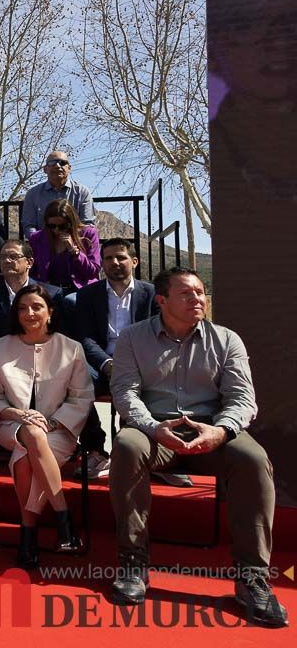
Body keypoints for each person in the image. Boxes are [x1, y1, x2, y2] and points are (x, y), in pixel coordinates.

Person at [108, 268, 287, 627]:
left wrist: (221, 432)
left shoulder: (226, 340)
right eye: (187, 293)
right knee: (127, 444)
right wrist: (153, 428)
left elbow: (242, 399)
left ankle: (252, 577)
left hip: (211, 427)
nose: (198, 299)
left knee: (253, 459)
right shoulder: (131, 338)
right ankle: (133, 563)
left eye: (201, 292)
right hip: (154, 429)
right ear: (162, 300)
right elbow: (125, 393)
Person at [0, 284, 93, 569]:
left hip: (59, 430)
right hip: (11, 426)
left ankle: (27, 535)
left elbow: (81, 397)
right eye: (22, 308)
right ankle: (63, 519)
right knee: (30, 433)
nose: (29, 313)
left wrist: (54, 422)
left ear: (50, 312)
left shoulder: (71, 348)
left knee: (26, 459)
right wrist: (18, 414)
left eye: (36, 307)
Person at [69, 238, 156, 479]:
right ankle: (95, 449)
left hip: (138, 363)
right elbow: (85, 338)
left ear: (134, 261)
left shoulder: (151, 294)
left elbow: (157, 336)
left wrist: (129, 364)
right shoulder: (87, 295)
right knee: (76, 377)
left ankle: (128, 450)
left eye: (121, 257)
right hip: (101, 363)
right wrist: (106, 364)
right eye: (108, 258)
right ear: (101, 264)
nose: (115, 262)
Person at [0, 240, 62, 367]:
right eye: (3, 257)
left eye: (13, 257)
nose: (7, 261)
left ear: (29, 262)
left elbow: (58, 332)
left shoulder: (51, 294)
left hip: (41, 361)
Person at [28, 200, 101, 293]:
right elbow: (32, 271)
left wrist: (75, 252)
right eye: (52, 226)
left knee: (70, 301)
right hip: (50, 289)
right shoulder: (37, 238)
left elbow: (92, 272)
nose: (56, 230)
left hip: (80, 289)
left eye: (62, 226)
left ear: (71, 223)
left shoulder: (88, 234)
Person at [19, 151, 96, 237]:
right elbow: (29, 225)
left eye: (62, 163)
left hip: (74, 244)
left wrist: (70, 241)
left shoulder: (82, 192)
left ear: (69, 168)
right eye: (52, 163)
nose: (57, 166)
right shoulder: (33, 194)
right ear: (45, 169)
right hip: (43, 246)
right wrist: (40, 241)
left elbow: (88, 224)